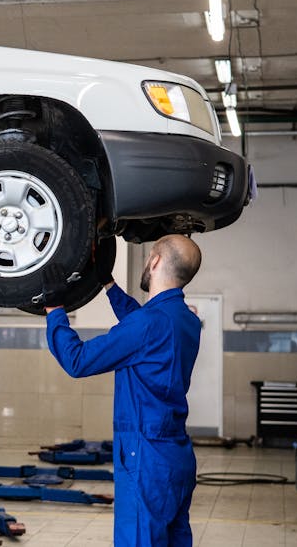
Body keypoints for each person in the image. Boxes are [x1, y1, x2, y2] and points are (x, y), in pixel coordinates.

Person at [41, 234, 203, 547]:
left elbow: (78, 361)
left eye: (148, 256)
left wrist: (54, 310)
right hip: (176, 454)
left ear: (154, 261)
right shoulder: (186, 320)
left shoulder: (146, 325)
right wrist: (107, 284)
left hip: (144, 454)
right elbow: (141, 323)